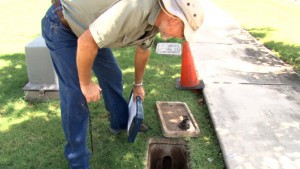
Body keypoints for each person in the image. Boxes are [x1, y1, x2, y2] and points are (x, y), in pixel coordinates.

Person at [42, 0, 204, 168]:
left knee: (113, 75)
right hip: (63, 26)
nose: (180, 37)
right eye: (183, 33)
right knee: (75, 95)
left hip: (89, 30)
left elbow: (143, 50)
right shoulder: (136, 8)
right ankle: (78, 162)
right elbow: (86, 42)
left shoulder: (157, 21)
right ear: (174, 19)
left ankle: (119, 122)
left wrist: (138, 84)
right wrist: (86, 83)